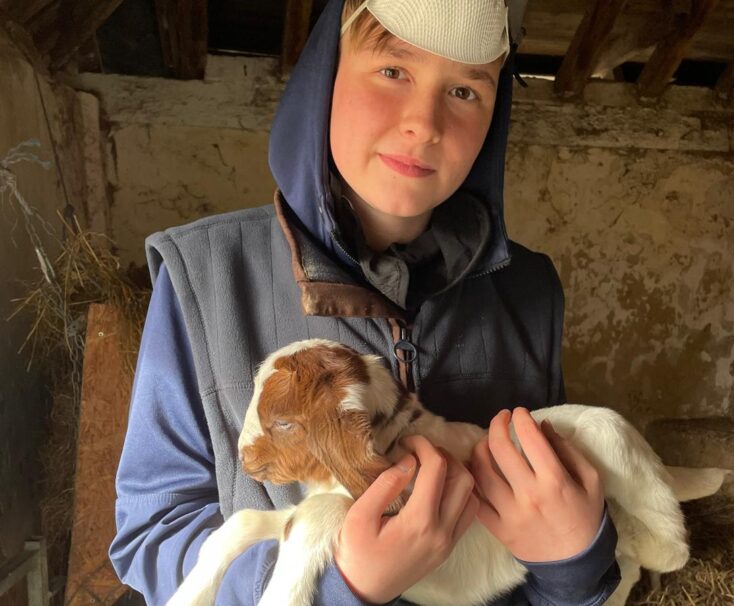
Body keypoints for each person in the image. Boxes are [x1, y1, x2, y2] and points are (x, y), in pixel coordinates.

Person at [110, 0, 621, 604]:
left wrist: (575, 562)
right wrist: (338, 588)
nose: (424, 122)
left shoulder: (529, 291)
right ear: (325, 72)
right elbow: (150, 536)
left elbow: (545, 516)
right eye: (393, 71)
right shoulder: (208, 274)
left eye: (464, 90)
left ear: (497, 111)